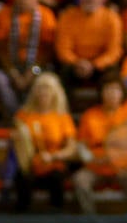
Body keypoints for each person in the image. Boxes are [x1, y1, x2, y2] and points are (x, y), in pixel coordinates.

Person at [72, 76, 127, 213]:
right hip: (97, 165)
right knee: (80, 180)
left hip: (123, 166)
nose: (112, 93)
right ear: (101, 93)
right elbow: (81, 145)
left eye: (116, 89)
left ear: (122, 93)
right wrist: (91, 159)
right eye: (108, 89)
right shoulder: (90, 115)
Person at [11, 72, 78, 211]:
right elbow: (17, 143)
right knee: (22, 178)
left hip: (53, 164)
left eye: (47, 89)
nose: (43, 92)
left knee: (57, 178)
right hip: (30, 164)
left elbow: (71, 148)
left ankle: (56, 218)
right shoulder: (23, 115)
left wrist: (53, 156)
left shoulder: (62, 117)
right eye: (40, 88)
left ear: (55, 92)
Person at [56, 0, 124, 90]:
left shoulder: (112, 18)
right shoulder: (67, 16)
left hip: (100, 65)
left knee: (112, 74)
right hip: (75, 64)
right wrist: (77, 62)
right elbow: (63, 49)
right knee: (63, 73)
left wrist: (95, 64)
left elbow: (114, 51)